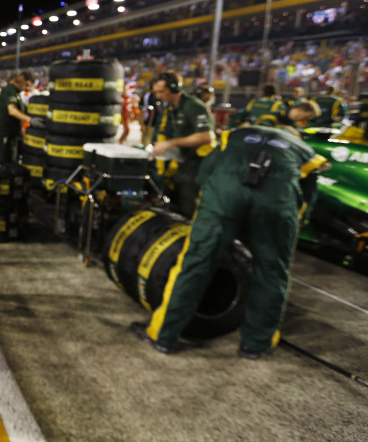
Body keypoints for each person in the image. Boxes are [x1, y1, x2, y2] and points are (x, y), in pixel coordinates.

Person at [132, 125, 328, 358]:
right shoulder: (304, 151)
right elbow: (306, 200)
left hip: (224, 195)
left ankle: (163, 336)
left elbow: (205, 172)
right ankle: (257, 344)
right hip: (276, 203)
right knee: (272, 272)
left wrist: (212, 207)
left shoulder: (236, 135)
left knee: (195, 261)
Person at [150, 71, 215, 218]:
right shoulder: (172, 108)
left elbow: (207, 136)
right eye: (156, 92)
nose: (159, 96)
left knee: (188, 208)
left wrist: (169, 143)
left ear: (174, 87)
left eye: (162, 91)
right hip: (182, 163)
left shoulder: (193, 106)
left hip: (198, 166)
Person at [0, 71, 35, 165]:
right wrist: (30, 120)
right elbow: (12, 110)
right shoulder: (9, 91)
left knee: (13, 162)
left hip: (12, 136)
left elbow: (22, 108)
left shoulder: (17, 93)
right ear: (21, 79)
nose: (28, 88)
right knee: (5, 164)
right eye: (26, 84)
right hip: (4, 135)